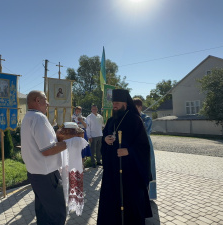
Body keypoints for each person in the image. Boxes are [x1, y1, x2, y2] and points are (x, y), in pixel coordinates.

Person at [21, 90, 87, 225]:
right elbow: (47, 150)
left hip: (35, 173)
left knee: (44, 213)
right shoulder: (39, 118)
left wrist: (57, 136)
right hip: (47, 175)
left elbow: (44, 143)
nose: (48, 103)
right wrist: (70, 142)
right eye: (45, 99)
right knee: (58, 214)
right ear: (37, 101)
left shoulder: (28, 117)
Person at [97, 89, 152, 225]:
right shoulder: (110, 121)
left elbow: (144, 147)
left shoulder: (135, 121)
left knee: (130, 206)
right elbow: (105, 137)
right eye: (113, 103)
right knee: (111, 205)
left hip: (131, 173)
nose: (114, 105)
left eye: (117, 103)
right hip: (112, 172)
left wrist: (129, 151)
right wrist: (106, 140)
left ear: (125, 104)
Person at [133, 98, 157, 200]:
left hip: (146, 146)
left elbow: (142, 132)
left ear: (140, 107)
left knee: (149, 170)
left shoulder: (147, 118)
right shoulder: (132, 118)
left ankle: (150, 195)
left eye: (135, 108)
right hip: (135, 147)